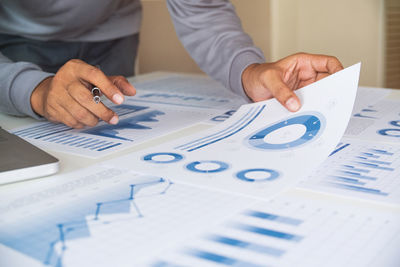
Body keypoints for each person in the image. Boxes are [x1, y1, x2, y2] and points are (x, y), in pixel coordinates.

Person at [0, 0, 343, 129]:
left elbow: (201, 10)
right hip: (13, 40)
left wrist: (248, 71)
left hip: (112, 35)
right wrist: (32, 89)